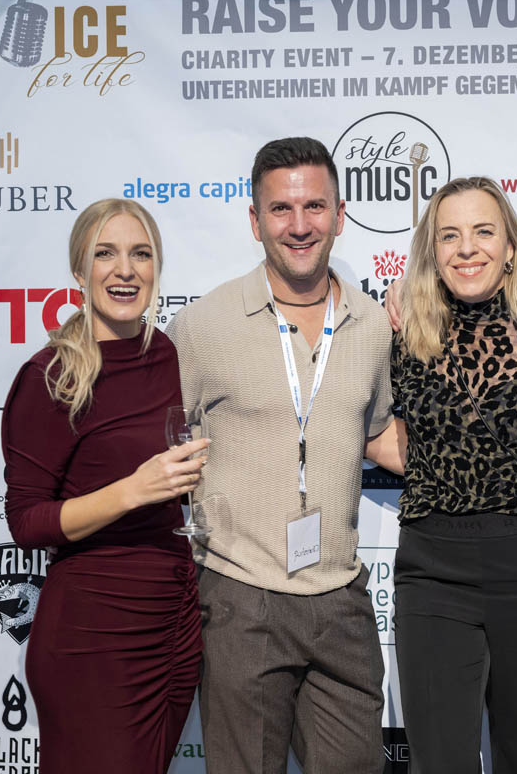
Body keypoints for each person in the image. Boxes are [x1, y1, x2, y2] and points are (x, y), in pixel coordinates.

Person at [166, 137, 397, 774]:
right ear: (254, 220)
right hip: (239, 597)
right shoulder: (203, 325)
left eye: (315, 206)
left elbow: (377, 433)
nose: (299, 226)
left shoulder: (372, 326)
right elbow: (155, 443)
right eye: (281, 209)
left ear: (340, 215)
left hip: (342, 598)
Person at [390, 176, 517, 773]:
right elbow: (367, 427)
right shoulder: (407, 333)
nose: (467, 248)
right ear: (432, 251)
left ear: (510, 247)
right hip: (432, 571)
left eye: (483, 232)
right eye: (449, 236)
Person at [1, 199, 208, 774]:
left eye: (141, 254)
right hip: (92, 632)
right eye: (105, 254)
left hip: (174, 622)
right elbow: (26, 522)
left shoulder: (168, 355)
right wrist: (132, 490)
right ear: (79, 271)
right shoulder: (52, 375)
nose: (125, 270)